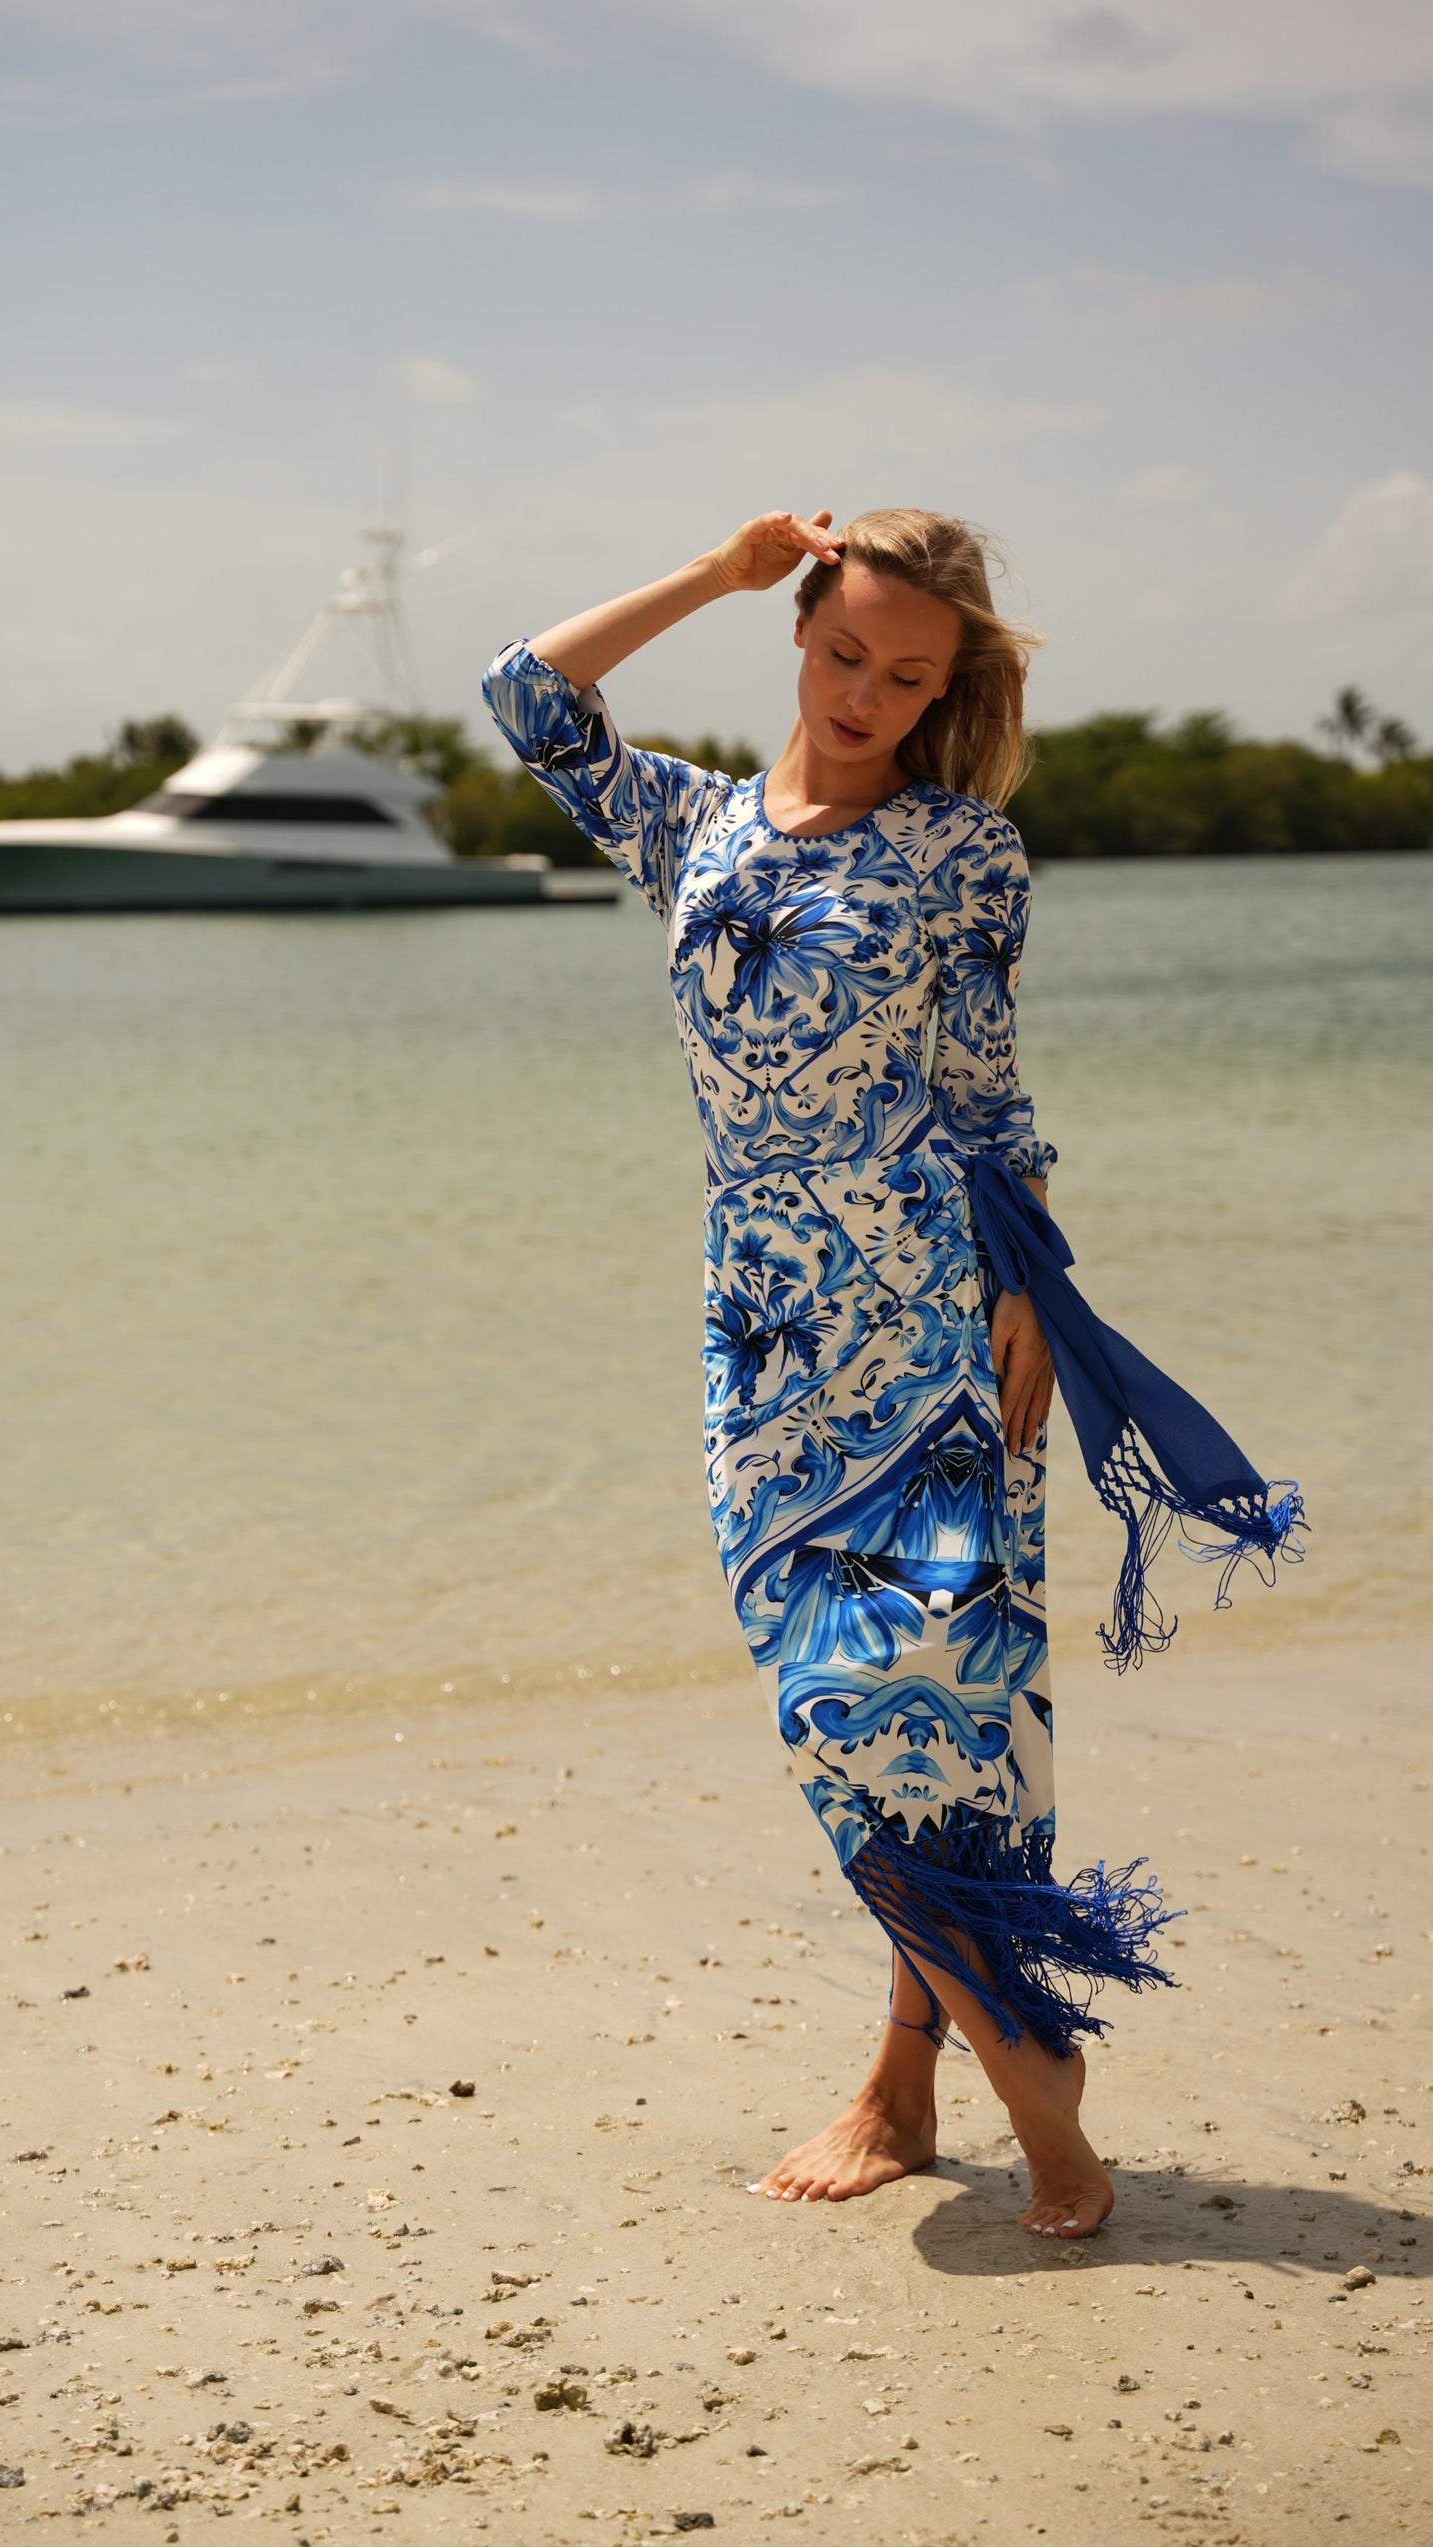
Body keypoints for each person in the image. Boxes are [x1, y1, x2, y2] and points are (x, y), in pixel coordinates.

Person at [482, 507, 1297, 2241]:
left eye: (908, 676)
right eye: (844, 651)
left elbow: (991, 1096)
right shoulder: (693, 826)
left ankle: (992, 2076)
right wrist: (713, 572)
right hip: (765, 1322)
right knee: (834, 1705)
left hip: (933, 1310)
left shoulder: (962, 852)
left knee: (931, 1707)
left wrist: (1033, 1294)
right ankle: (961, 2064)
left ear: (945, 692)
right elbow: (527, 697)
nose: (865, 694)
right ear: (799, 631)